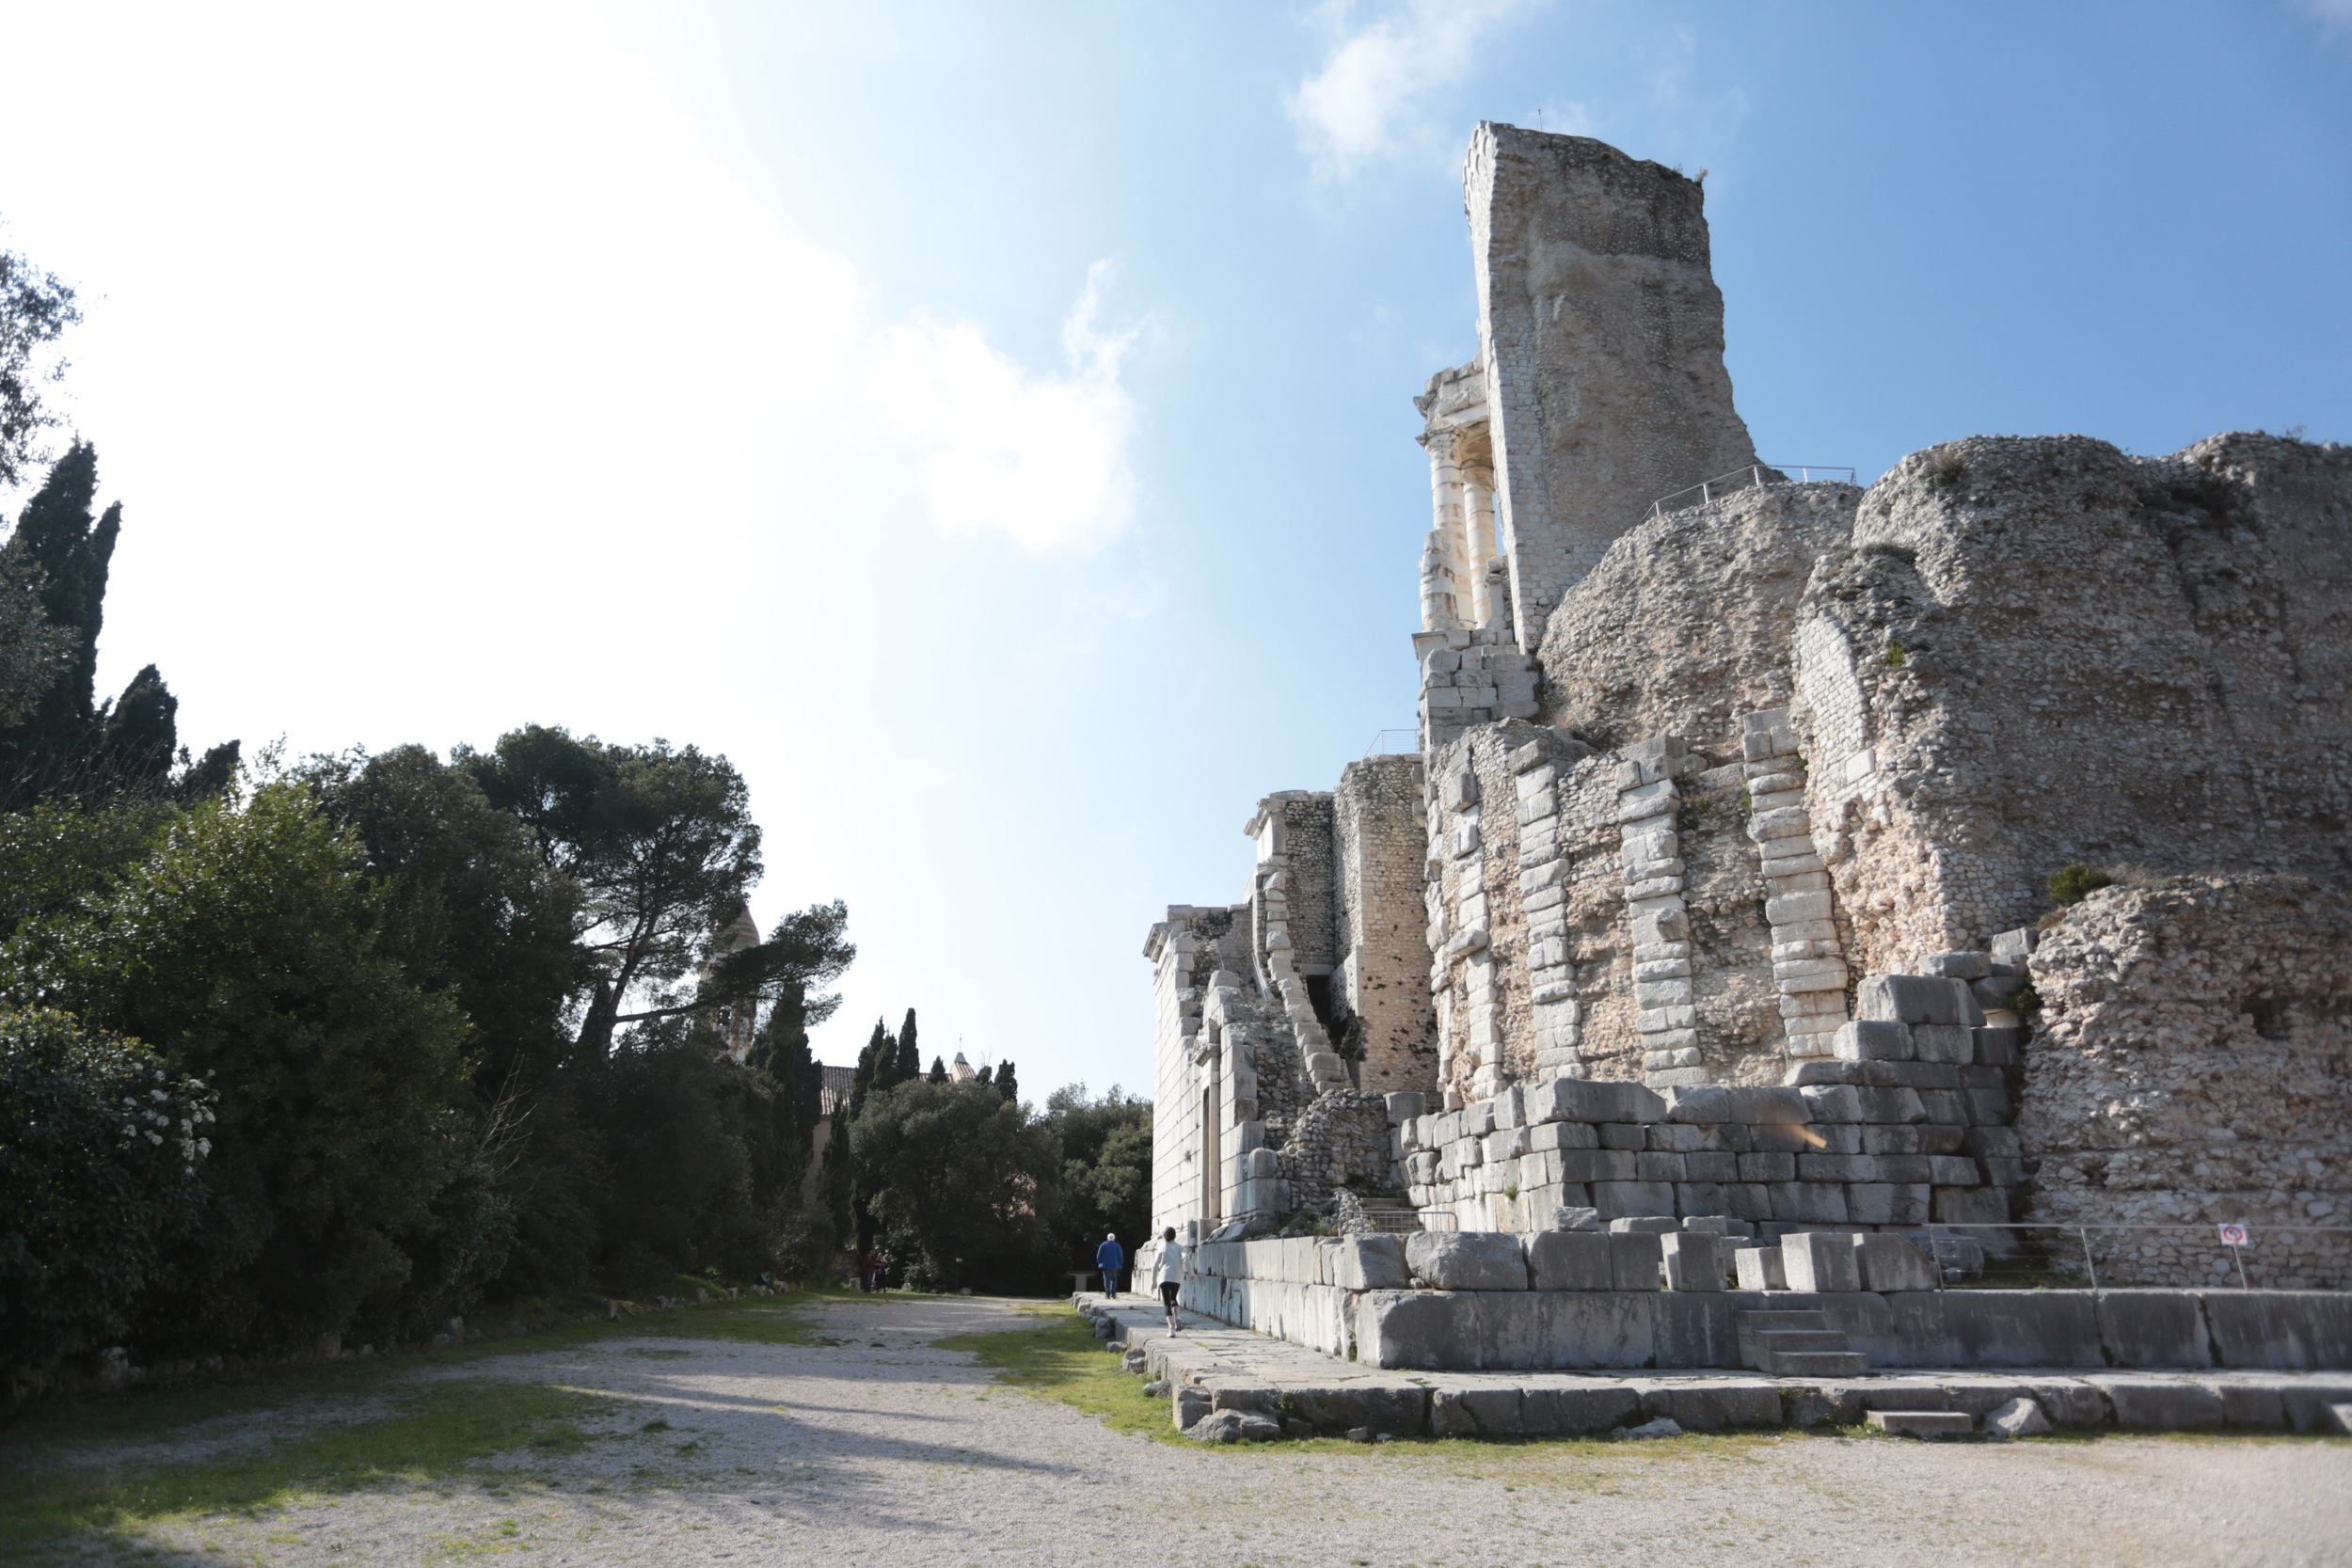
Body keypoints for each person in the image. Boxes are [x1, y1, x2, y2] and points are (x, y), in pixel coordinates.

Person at [1153, 1227, 1188, 1333]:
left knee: (1167, 1303)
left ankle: (1171, 1329)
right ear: (1175, 1236)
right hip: (1176, 1277)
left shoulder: (1162, 1248)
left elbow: (1155, 1266)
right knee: (1173, 1298)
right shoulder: (1180, 1247)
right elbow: (1185, 1258)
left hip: (1164, 1278)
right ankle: (1177, 1316)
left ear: (1164, 1236)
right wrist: (1191, 1273)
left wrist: (1153, 1281)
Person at [1095, 1231, 1124, 1297]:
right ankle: (1113, 1294)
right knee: (1114, 1279)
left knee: (1107, 1279)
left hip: (1105, 1265)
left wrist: (1099, 1262)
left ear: (1107, 1238)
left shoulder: (1103, 1244)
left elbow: (1098, 1256)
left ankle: (1107, 1294)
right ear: (1114, 1238)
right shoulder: (1117, 1245)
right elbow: (1120, 1256)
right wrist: (1120, 1264)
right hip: (1115, 1265)